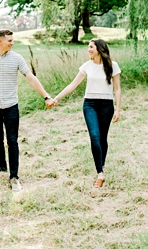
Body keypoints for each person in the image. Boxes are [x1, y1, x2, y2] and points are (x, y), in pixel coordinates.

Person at [0, 29, 55, 191]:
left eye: (12, 40)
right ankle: (2, 170)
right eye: (9, 40)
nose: (12, 42)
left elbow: (30, 77)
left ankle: (14, 177)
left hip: (11, 106)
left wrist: (46, 96)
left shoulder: (17, 58)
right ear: (0, 41)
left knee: (12, 141)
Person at [49, 39, 121, 188]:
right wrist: (56, 98)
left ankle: (101, 163)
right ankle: (100, 173)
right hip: (90, 104)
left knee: (102, 138)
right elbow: (73, 85)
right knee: (94, 136)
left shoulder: (112, 66)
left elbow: (117, 89)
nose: (88, 50)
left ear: (100, 49)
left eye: (91, 47)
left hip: (107, 105)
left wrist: (118, 109)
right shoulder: (87, 66)